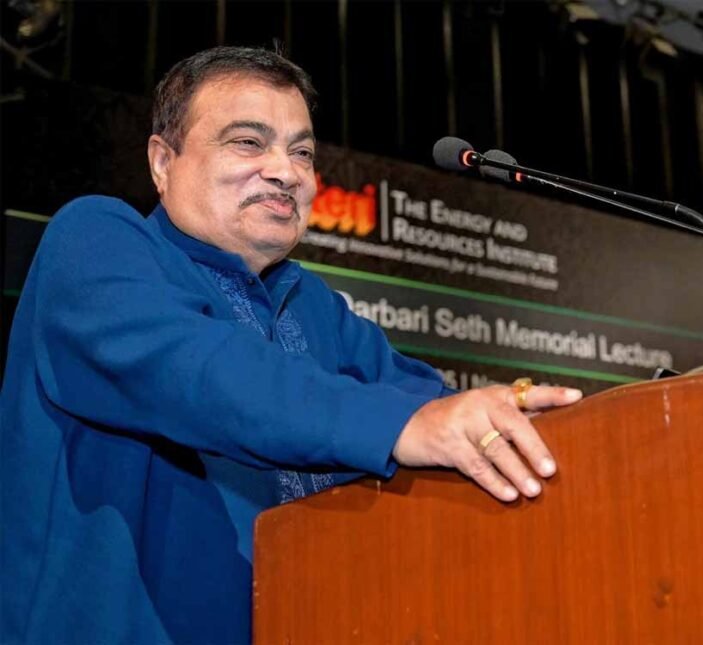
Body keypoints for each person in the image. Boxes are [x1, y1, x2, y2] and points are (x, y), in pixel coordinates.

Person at [0, 46, 581, 644]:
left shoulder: (311, 304)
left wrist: (529, 427)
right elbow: (200, 372)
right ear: (163, 162)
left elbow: (436, 405)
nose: (287, 171)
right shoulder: (96, 240)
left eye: (302, 152)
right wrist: (403, 424)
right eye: (248, 142)